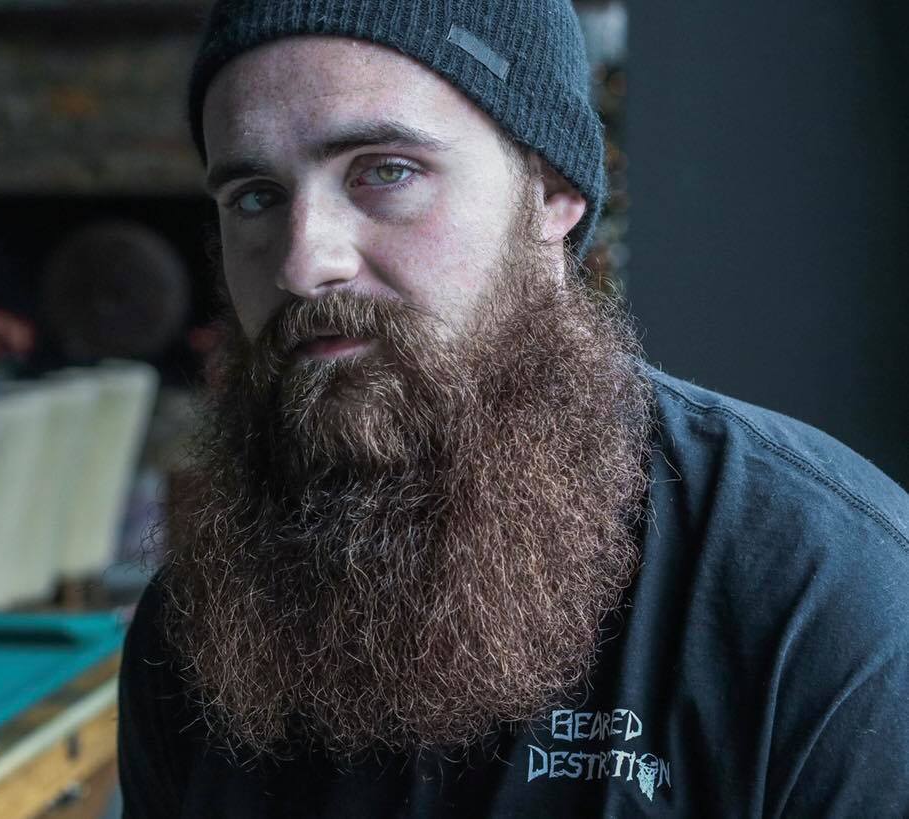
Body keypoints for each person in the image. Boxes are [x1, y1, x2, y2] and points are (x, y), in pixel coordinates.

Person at [118, 0, 909, 815]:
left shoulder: (825, 591)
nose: (304, 260)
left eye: (385, 171)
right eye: (255, 196)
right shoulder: (202, 624)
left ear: (552, 191)